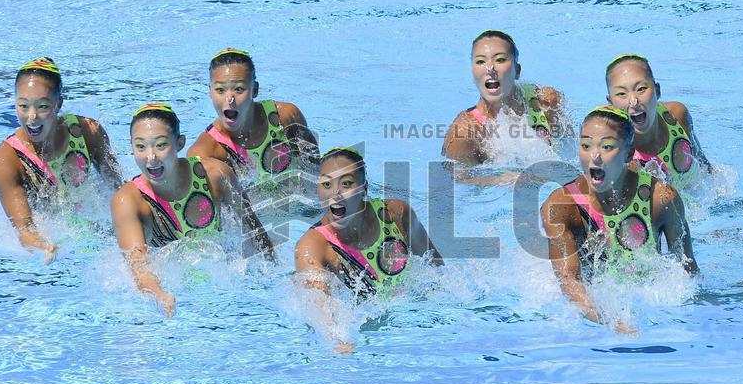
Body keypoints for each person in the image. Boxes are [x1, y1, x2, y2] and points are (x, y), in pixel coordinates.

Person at [541, 105, 698, 328]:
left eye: (607, 146)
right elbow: (569, 281)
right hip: (594, 313)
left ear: (628, 151)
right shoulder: (562, 207)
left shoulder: (661, 199)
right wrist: (611, 321)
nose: (594, 156)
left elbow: (687, 271)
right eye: (586, 145)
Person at [112, 103, 274, 317]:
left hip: (222, 292)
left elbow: (252, 230)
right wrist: (160, 293)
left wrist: (272, 277)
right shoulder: (129, 201)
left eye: (160, 145)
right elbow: (139, 266)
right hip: (175, 297)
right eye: (140, 147)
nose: (150, 157)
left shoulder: (215, 175)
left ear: (180, 143)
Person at [295, 147, 443, 352]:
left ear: (364, 189)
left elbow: (437, 270)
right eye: (326, 184)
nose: (335, 194)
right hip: (369, 331)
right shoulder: (313, 247)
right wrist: (340, 343)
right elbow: (321, 314)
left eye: (346, 184)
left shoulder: (396, 215)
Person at [0, 57, 122, 264]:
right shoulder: (5, 160)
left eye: (42, 106)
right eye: (23, 106)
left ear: (59, 104)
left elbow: (116, 189)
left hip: (92, 227)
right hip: (59, 241)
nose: (31, 117)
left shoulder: (87, 132)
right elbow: (25, 231)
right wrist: (44, 246)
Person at [188, 48, 318, 193]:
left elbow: (316, 168)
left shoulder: (285, 117)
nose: (229, 99)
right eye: (220, 90)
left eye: (239, 89)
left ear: (255, 90)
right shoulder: (205, 152)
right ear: (210, 92)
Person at [442, 30, 564, 165]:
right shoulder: (465, 134)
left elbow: (567, 149)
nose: (490, 68)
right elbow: (456, 180)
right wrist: (503, 179)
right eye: (480, 61)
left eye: (500, 59)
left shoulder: (545, 100)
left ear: (517, 71)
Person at [605, 54, 711, 188]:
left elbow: (704, 166)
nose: (633, 101)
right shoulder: (619, 158)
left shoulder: (677, 116)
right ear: (611, 104)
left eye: (641, 89)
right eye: (621, 94)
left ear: (657, 90)